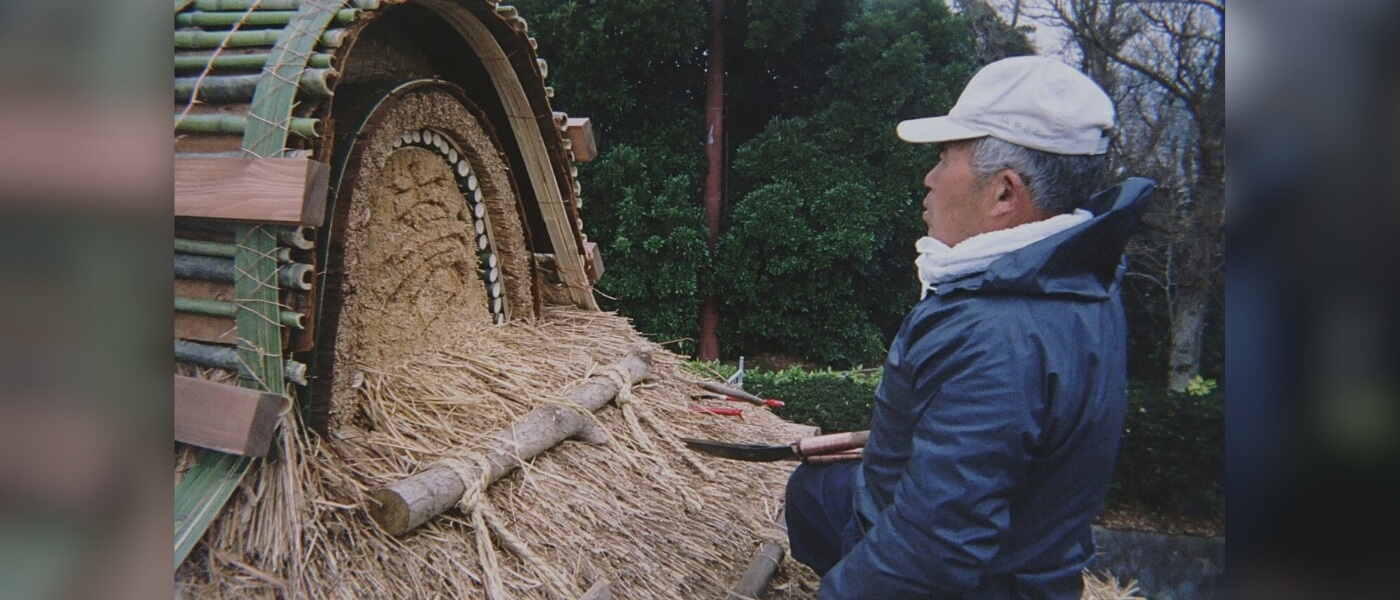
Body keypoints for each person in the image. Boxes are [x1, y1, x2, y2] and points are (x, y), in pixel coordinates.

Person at [784, 55, 1155, 598]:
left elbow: (931, 553)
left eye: (944, 159)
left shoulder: (995, 337)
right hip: (1029, 557)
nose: (929, 179)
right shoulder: (1077, 284)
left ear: (1004, 193)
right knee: (816, 491)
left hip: (992, 584)